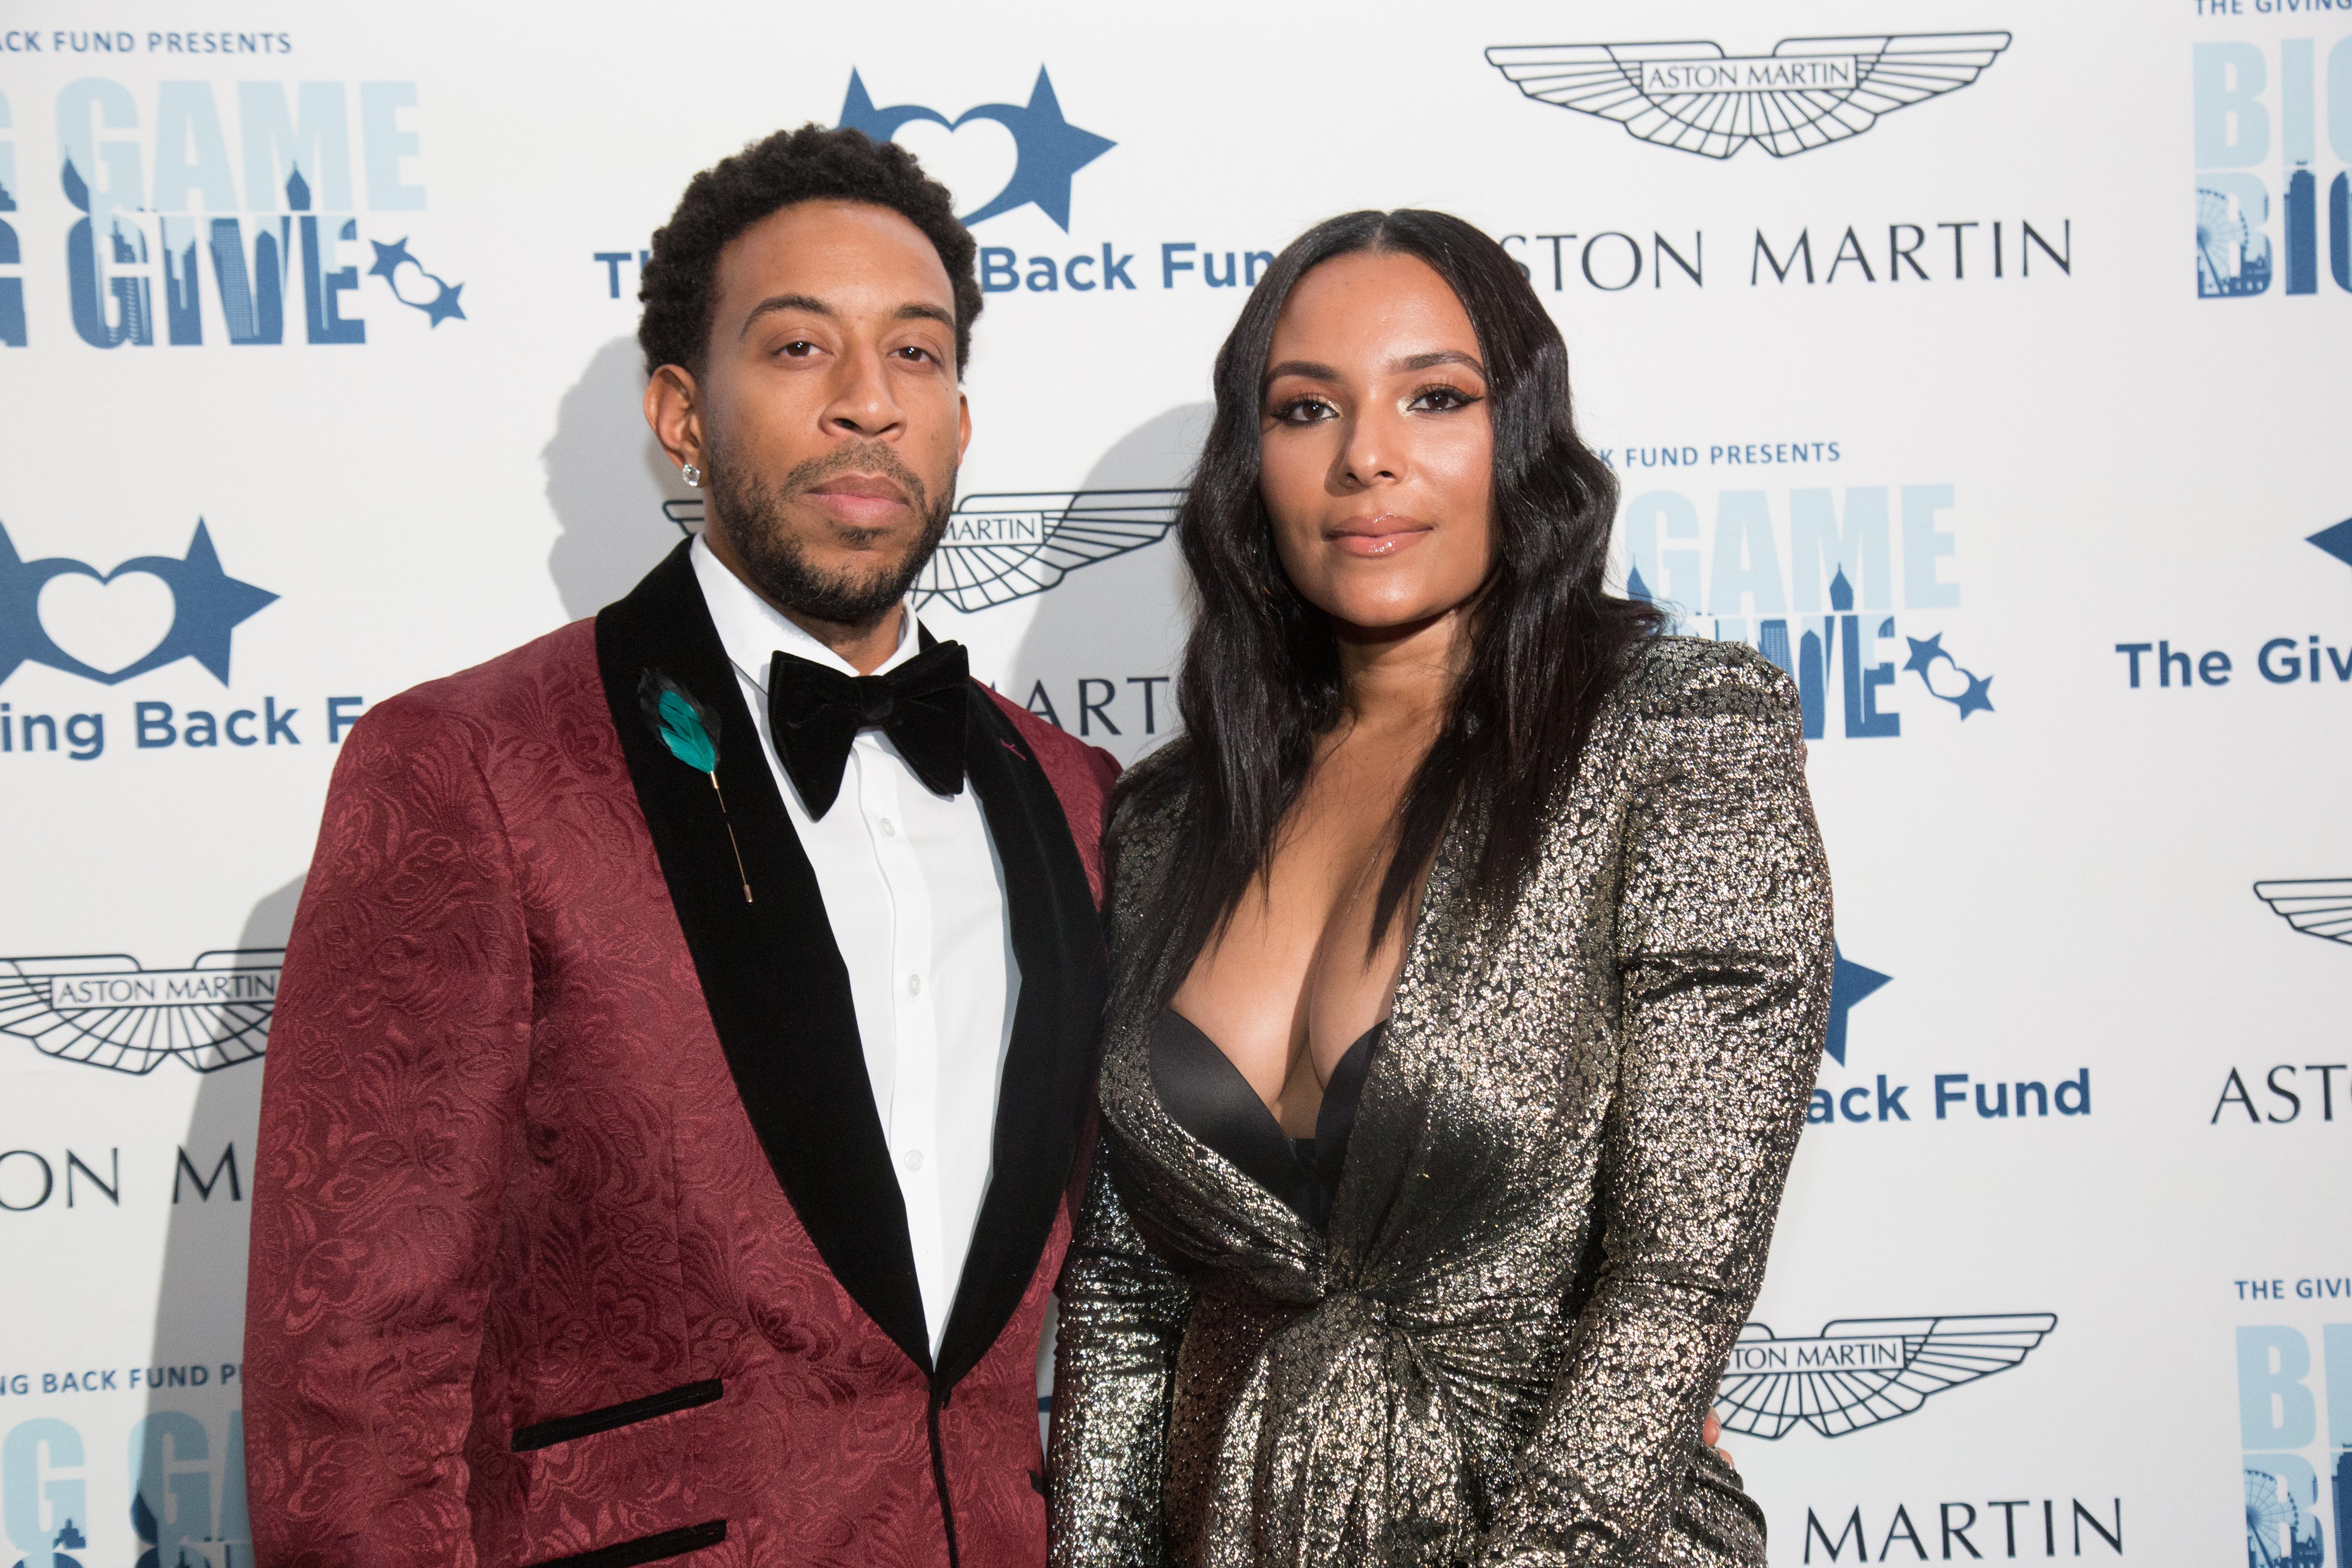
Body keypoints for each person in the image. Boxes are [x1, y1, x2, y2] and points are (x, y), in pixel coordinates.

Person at [242, 125, 1116, 1568]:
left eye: (915, 355)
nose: (865, 406)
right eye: (794, 350)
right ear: (679, 411)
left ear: (960, 415)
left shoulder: (1076, 796)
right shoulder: (473, 767)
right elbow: (352, 1376)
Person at [1045, 210, 1833, 1566]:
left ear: (1517, 438)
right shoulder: (1173, 818)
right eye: (1306, 409)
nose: (1367, 455)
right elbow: (1127, 1298)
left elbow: (1676, 1276)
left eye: (1434, 397)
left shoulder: (1674, 739)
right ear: (1252, 466)